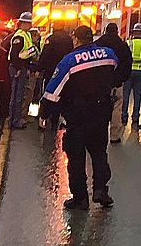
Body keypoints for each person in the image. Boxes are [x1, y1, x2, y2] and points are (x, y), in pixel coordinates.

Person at [43, 26, 117, 210]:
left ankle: (80, 198)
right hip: (101, 113)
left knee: (76, 158)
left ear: (76, 39)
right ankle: (101, 190)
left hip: (78, 115)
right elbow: (118, 72)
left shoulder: (69, 61)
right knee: (99, 153)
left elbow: (53, 92)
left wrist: (44, 113)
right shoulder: (108, 54)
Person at [94, 23, 132, 144]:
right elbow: (127, 64)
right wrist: (121, 79)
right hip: (116, 83)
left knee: (98, 108)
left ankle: (98, 134)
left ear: (105, 31)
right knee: (116, 109)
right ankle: (114, 136)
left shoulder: (97, 45)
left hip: (99, 83)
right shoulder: (122, 45)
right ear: (117, 31)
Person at [36, 26, 74, 130]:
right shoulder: (69, 39)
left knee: (48, 94)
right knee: (61, 95)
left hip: (51, 71)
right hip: (64, 72)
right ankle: (55, 120)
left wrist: (39, 68)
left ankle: (44, 117)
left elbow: (45, 54)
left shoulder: (51, 38)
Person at [8, 12, 39, 129]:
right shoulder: (19, 36)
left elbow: (26, 54)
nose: (31, 25)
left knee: (19, 95)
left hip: (22, 67)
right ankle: (14, 121)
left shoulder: (25, 35)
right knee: (17, 95)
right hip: (18, 68)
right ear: (23, 23)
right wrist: (18, 69)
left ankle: (16, 119)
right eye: (29, 23)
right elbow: (14, 55)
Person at [122, 24, 141, 126]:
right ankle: (135, 117)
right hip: (140, 72)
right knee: (138, 96)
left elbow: (124, 58)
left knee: (125, 96)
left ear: (133, 32)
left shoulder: (128, 43)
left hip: (128, 73)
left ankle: (124, 116)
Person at [21, 27, 44, 124]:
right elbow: (33, 58)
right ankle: (23, 116)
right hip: (31, 73)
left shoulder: (32, 46)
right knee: (28, 94)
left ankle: (24, 115)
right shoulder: (31, 47)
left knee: (29, 94)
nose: (38, 39)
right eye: (37, 37)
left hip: (31, 72)